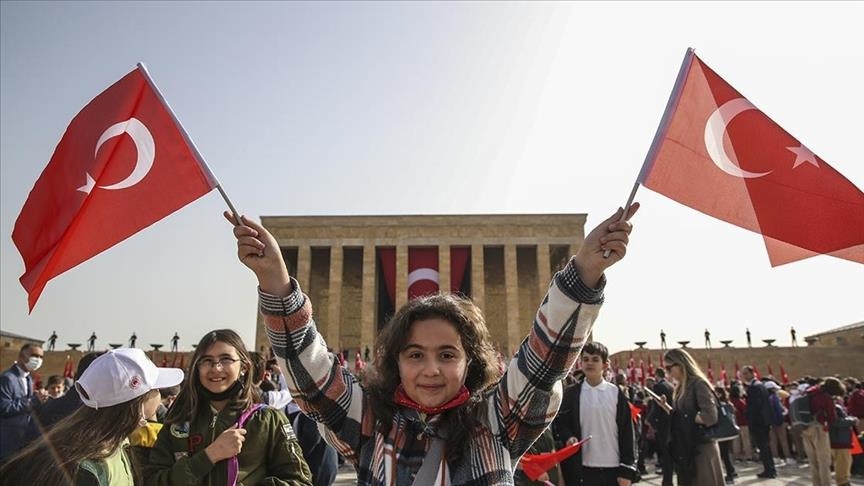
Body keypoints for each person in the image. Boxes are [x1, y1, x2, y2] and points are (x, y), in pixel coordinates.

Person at [227, 204, 637, 484]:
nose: (430, 369)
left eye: (447, 354)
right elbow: (310, 372)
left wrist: (583, 273)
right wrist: (277, 285)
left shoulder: (494, 424)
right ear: (396, 362)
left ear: (470, 362)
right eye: (415, 354)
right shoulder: (372, 425)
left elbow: (545, 361)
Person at [144, 329, 313, 486]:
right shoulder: (179, 419)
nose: (216, 368)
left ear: (244, 368)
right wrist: (209, 456)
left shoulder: (267, 421)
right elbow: (152, 480)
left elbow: (299, 481)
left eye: (226, 360)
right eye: (207, 361)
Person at [0, 348, 183, 485]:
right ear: (136, 403)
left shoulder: (115, 445)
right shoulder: (89, 466)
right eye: (156, 389)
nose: (160, 395)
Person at [552, 341, 637, 485]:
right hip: (582, 470)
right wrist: (569, 437)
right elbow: (561, 423)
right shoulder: (571, 394)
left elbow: (628, 433)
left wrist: (627, 469)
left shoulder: (616, 393)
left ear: (605, 364)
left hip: (613, 469)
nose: (589, 363)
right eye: (585, 359)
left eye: (595, 359)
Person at [663, 348, 724, 485]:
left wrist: (683, 416)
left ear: (680, 364)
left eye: (669, 368)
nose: (667, 372)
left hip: (701, 448)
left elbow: (710, 416)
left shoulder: (698, 384)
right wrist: (668, 409)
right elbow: (681, 415)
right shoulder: (680, 388)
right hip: (686, 447)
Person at [0, 343, 43, 462]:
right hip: (8, 440)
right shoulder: (7, 378)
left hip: (24, 438)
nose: (38, 360)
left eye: (40, 357)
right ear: (21, 356)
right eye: (34, 355)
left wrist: (40, 399)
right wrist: (33, 401)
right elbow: (4, 407)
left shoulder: (28, 378)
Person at [801, 377, 845, 486]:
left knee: (813, 461)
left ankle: (816, 484)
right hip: (819, 428)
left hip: (804, 427)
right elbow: (832, 417)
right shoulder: (826, 397)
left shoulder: (808, 392)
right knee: (824, 461)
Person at [741, 365, 777, 478]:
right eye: (743, 374)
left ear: (752, 373)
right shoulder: (759, 385)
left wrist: (747, 414)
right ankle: (770, 469)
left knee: (763, 447)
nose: (744, 376)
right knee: (765, 447)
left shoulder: (754, 387)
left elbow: (755, 406)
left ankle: (769, 470)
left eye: (746, 373)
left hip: (758, 422)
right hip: (763, 421)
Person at [647, 367, 675, 486]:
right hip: (671, 420)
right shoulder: (671, 385)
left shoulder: (658, 387)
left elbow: (656, 405)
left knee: (664, 451)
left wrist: (650, 420)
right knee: (669, 450)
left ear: (656, 375)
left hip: (662, 422)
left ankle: (667, 480)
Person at [714, 386, 738, 484]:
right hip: (728, 432)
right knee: (727, 453)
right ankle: (732, 471)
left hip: (722, 433)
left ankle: (730, 474)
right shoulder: (729, 404)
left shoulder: (719, 405)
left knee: (724, 454)